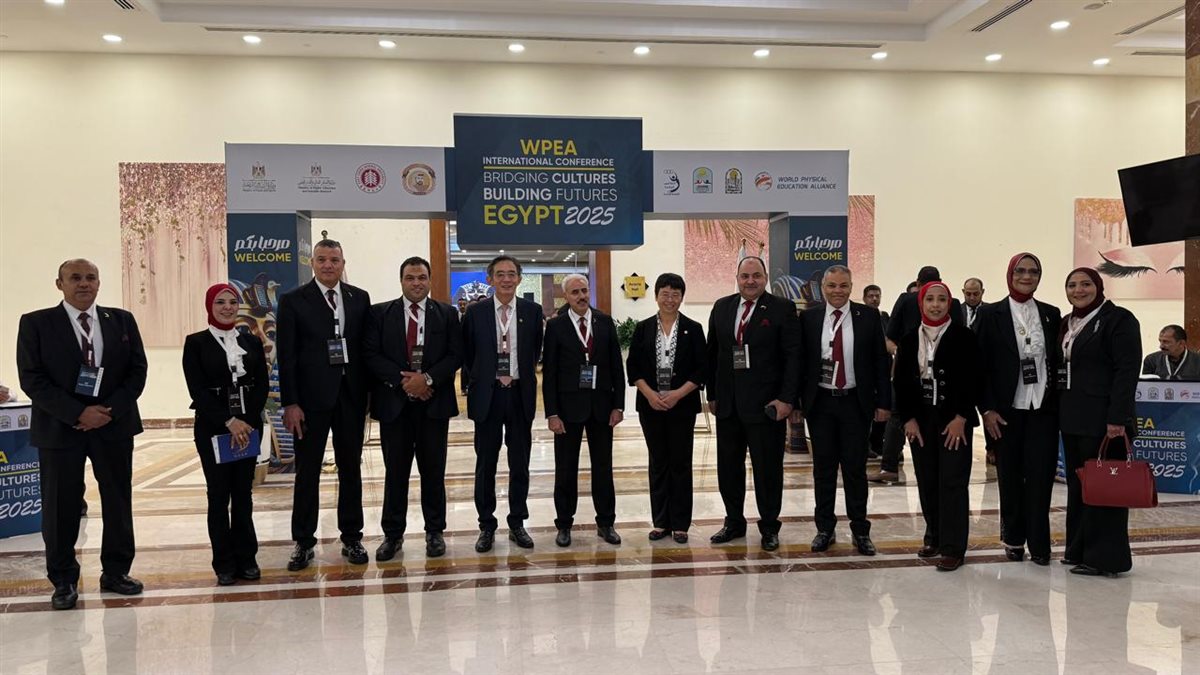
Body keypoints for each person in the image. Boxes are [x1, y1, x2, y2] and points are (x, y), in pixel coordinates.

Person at [16, 259, 148, 609]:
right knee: (60, 507)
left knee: (118, 501)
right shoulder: (36, 323)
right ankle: (63, 581)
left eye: (91, 277)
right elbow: (32, 378)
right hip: (60, 429)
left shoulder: (121, 320)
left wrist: (108, 411)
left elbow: (137, 371)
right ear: (59, 284)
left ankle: (116, 572)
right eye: (75, 278)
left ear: (99, 283)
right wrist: (78, 412)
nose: (84, 283)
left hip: (113, 427)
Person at [277, 239, 372, 571]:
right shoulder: (293, 301)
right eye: (322, 259)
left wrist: (369, 396)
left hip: (350, 397)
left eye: (334, 259)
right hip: (309, 403)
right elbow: (286, 356)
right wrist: (290, 403)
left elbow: (365, 350)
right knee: (307, 473)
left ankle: (352, 536)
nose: (328, 265)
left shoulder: (359, 298)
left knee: (351, 469)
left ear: (343, 263)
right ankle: (303, 542)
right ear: (312, 263)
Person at [363, 257, 462, 560]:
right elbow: (371, 354)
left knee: (434, 471)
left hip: (434, 405)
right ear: (401, 281)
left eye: (421, 277)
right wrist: (405, 382)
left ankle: (435, 532)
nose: (416, 283)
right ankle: (393, 535)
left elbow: (455, 354)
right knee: (395, 473)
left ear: (430, 280)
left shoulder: (447, 314)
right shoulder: (380, 313)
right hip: (395, 406)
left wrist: (427, 379)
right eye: (410, 278)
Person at [706, 257, 800, 551]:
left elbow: (793, 357)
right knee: (728, 469)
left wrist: (787, 399)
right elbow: (713, 354)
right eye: (745, 276)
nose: (750, 281)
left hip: (766, 407)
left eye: (756, 276)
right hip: (729, 406)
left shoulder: (782, 309)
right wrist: (712, 395)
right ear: (737, 277)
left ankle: (769, 526)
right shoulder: (722, 307)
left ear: (765, 277)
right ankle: (733, 522)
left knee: (767, 470)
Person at [975, 252, 1062, 566]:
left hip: (1043, 410)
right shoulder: (990, 314)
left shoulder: (1051, 314)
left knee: (1041, 478)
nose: (1027, 276)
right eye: (1021, 271)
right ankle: (1013, 539)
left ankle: (1039, 543)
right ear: (1010, 275)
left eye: (1033, 272)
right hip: (1006, 412)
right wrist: (987, 409)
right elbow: (979, 366)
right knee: (1010, 478)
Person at [181, 283, 268, 586]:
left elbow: (261, 385)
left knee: (243, 494)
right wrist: (229, 421)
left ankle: (247, 558)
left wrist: (246, 422)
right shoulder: (196, 343)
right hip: (214, 428)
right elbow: (197, 390)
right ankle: (224, 563)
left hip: (248, 427)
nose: (227, 307)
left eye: (232, 302)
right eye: (220, 302)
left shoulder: (250, 341)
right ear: (210, 306)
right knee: (219, 495)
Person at [800, 265, 891, 555]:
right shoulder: (809, 318)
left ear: (851, 287)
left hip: (855, 403)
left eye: (843, 286)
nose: (837, 291)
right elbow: (800, 362)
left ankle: (860, 530)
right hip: (821, 403)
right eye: (832, 286)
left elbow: (881, 362)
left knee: (855, 469)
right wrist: (798, 403)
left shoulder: (869, 316)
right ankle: (824, 529)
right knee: (823, 470)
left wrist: (884, 403)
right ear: (823, 288)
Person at [1058, 268, 1140, 577]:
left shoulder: (1119, 320)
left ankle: (1105, 558)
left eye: (1085, 284)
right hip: (1073, 419)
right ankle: (1078, 549)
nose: (1078, 290)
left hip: (1105, 423)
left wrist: (1117, 418)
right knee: (1080, 487)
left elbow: (1127, 370)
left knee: (1106, 490)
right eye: (1072, 285)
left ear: (1099, 286)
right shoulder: (1067, 322)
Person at [894, 282, 980, 572]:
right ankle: (934, 535)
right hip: (921, 421)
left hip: (953, 422)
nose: (935, 305)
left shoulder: (964, 337)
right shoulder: (909, 340)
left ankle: (953, 547)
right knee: (927, 479)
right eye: (929, 299)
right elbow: (901, 383)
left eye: (941, 299)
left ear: (949, 303)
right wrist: (907, 418)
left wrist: (961, 417)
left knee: (952, 482)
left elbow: (973, 380)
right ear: (921, 303)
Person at [462, 256, 543, 552]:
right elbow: (468, 354)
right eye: (500, 274)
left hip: (519, 395)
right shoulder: (475, 312)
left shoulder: (532, 312)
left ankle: (517, 522)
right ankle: (486, 525)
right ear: (490, 279)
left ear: (519, 279)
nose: (506, 279)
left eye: (511, 274)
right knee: (486, 464)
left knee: (520, 463)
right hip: (489, 395)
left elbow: (534, 350)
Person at [544, 274, 626, 547]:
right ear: (566, 296)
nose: (581, 296)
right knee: (565, 469)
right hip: (567, 409)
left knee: (603, 467)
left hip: (602, 407)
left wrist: (618, 405)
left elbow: (616, 366)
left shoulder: (604, 321)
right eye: (575, 292)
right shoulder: (555, 326)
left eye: (584, 290)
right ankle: (564, 524)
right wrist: (552, 413)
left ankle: (606, 523)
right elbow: (550, 373)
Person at [626, 273, 707, 543]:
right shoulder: (643, 328)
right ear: (656, 296)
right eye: (665, 293)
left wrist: (677, 395)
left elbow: (702, 368)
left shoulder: (693, 328)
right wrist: (650, 394)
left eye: (675, 294)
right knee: (658, 462)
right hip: (651, 405)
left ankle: (681, 524)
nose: (670, 299)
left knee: (680, 463)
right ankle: (661, 522)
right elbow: (633, 367)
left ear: (682, 297)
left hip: (682, 405)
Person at [862, 284, 889, 459]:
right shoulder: (860, 317)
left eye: (877, 296)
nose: (874, 299)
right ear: (864, 298)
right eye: (871, 296)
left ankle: (878, 444)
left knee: (882, 409)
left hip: (883, 368)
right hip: (866, 371)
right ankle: (865, 445)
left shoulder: (884, 317)